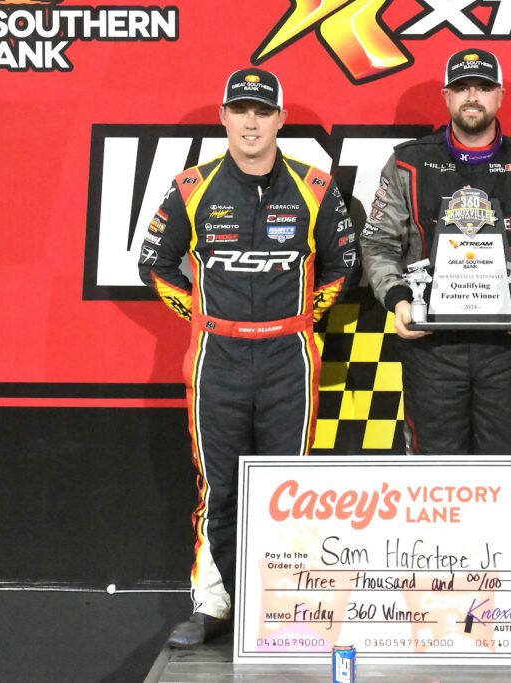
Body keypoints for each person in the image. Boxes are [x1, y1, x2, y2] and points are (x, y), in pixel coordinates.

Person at [137, 67, 356, 647]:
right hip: (218, 358)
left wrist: (306, 316)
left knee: (290, 483)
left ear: (281, 119)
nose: (251, 121)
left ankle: (285, 602)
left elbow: (343, 266)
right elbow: (153, 265)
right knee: (220, 486)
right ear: (224, 118)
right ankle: (214, 605)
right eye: (241, 110)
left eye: (263, 111)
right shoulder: (192, 187)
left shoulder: (316, 185)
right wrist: (202, 317)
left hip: (291, 355)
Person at [359, 49, 511, 454]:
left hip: (510, 344)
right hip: (431, 344)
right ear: (446, 96)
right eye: (462, 88)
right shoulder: (408, 163)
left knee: (508, 468)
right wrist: (397, 299)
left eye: (483, 87)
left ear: (500, 95)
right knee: (433, 470)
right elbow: (377, 242)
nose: (472, 96)